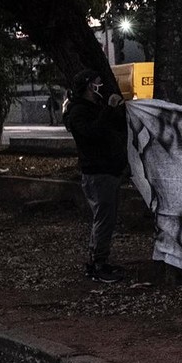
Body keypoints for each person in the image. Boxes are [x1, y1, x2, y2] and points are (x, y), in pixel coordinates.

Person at [63, 68, 129, 283]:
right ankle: (97, 264)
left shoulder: (94, 108)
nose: (101, 86)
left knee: (106, 219)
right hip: (98, 173)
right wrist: (108, 111)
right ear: (89, 86)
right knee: (104, 219)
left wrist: (116, 111)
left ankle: (98, 261)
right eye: (98, 82)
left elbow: (113, 130)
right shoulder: (78, 112)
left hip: (108, 170)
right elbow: (92, 134)